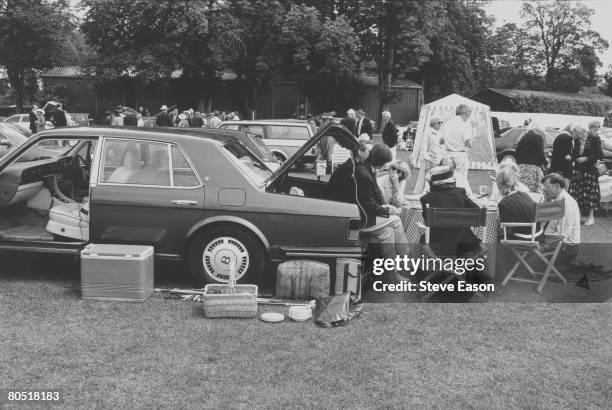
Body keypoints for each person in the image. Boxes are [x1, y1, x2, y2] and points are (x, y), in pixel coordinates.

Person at [354, 144, 410, 282]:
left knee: (388, 232)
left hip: (365, 216)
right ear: (382, 162)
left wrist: (387, 207)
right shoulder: (366, 174)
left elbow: (378, 201)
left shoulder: (366, 170)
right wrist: (388, 210)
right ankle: (406, 258)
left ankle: (391, 273)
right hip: (362, 219)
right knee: (396, 220)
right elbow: (369, 205)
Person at [420, 166, 481, 257]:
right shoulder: (460, 193)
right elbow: (477, 212)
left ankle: (433, 267)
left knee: (422, 237)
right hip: (465, 242)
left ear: (432, 183)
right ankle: (463, 266)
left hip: (437, 243)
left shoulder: (426, 199)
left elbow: (426, 221)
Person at [569, 121, 603, 226]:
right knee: (576, 193)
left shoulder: (594, 139)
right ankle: (578, 215)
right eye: (576, 134)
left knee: (591, 194)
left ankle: (591, 217)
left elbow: (599, 154)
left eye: (579, 134)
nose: (578, 136)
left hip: (590, 170)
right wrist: (573, 158)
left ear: (584, 131)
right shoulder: (576, 140)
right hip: (578, 169)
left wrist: (586, 158)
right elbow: (574, 154)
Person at [541, 173, 580, 264]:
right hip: (556, 244)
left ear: (557, 186)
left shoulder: (566, 203)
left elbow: (562, 236)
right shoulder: (558, 199)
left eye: (547, 187)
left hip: (565, 249)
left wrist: (542, 247)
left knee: (530, 258)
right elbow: (542, 220)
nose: (544, 190)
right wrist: (546, 201)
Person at [497, 166, 542, 241]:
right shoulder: (525, 195)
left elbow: (505, 227)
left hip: (525, 237)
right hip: (539, 234)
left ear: (500, 185)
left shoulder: (503, 203)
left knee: (498, 237)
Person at [414, 116, 451, 194]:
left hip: (438, 159)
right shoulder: (427, 133)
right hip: (428, 160)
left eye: (441, 122)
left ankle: (434, 194)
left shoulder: (440, 133)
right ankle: (420, 194)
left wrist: (443, 157)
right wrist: (428, 159)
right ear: (433, 124)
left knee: (436, 178)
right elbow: (423, 148)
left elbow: (441, 147)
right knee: (424, 178)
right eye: (439, 122)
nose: (441, 124)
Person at [442, 104, 473, 195]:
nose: (468, 117)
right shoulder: (464, 125)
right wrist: (471, 143)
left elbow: (441, 140)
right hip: (460, 154)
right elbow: (468, 143)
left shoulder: (447, 124)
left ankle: (449, 195)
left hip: (448, 154)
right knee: (461, 179)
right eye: (468, 114)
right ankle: (460, 196)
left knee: (448, 177)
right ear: (464, 113)